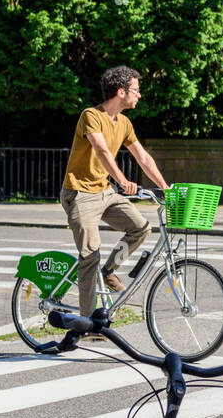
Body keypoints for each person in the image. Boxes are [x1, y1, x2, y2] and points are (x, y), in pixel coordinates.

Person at [59, 66, 170, 316]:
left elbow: (142, 157)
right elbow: (101, 150)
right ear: (121, 92)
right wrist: (122, 180)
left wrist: (164, 188)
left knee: (141, 228)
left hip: (104, 191)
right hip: (79, 192)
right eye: (136, 90)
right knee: (89, 256)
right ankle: (87, 323)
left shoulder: (125, 123)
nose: (139, 95)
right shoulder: (91, 115)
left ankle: (109, 271)